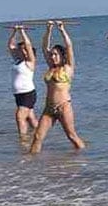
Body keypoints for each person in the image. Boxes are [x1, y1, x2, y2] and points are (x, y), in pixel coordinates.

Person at [29, 22, 86, 153]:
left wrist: (61, 30)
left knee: (71, 136)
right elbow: (44, 47)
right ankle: (29, 165)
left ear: (62, 55)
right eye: (52, 54)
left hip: (63, 106)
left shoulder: (68, 68)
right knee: (37, 137)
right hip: (48, 109)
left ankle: (84, 158)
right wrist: (48, 29)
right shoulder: (51, 67)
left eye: (55, 54)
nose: (53, 56)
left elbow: (69, 46)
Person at [7, 26, 39, 137]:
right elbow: (10, 45)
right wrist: (14, 32)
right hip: (18, 95)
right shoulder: (17, 60)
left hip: (28, 94)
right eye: (21, 49)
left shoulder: (30, 62)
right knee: (30, 118)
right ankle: (40, 133)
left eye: (24, 49)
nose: (22, 51)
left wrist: (22, 31)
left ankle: (23, 140)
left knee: (20, 116)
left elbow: (28, 45)